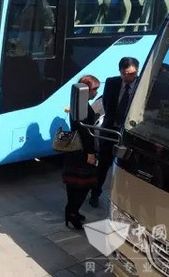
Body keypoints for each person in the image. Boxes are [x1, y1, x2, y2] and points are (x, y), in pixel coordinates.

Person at [89, 57, 139, 207]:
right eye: (124, 74)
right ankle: (95, 194)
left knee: (127, 167)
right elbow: (106, 103)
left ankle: (123, 199)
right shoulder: (112, 82)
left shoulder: (142, 85)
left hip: (130, 132)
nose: (127, 77)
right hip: (111, 129)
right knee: (103, 165)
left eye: (131, 74)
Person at [63, 75, 99, 230]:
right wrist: (91, 153)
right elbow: (86, 133)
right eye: (94, 89)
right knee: (82, 186)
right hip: (82, 152)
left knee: (73, 186)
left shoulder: (76, 103)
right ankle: (72, 213)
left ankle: (71, 212)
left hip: (74, 152)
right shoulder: (84, 108)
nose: (96, 93)